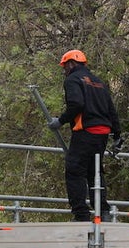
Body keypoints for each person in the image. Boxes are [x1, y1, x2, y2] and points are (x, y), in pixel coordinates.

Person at [48, 50, 121, 222]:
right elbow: (111, 110)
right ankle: (103, 211)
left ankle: (81, 214)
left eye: (64, 66)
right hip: (102, 133)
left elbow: (77, 104)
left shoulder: (72, 80)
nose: (64, 70)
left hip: (85, 132)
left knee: (75, 171)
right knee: (95, 171)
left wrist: (60, 121)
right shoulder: (98, 82)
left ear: (71, 64)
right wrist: (117, 135)